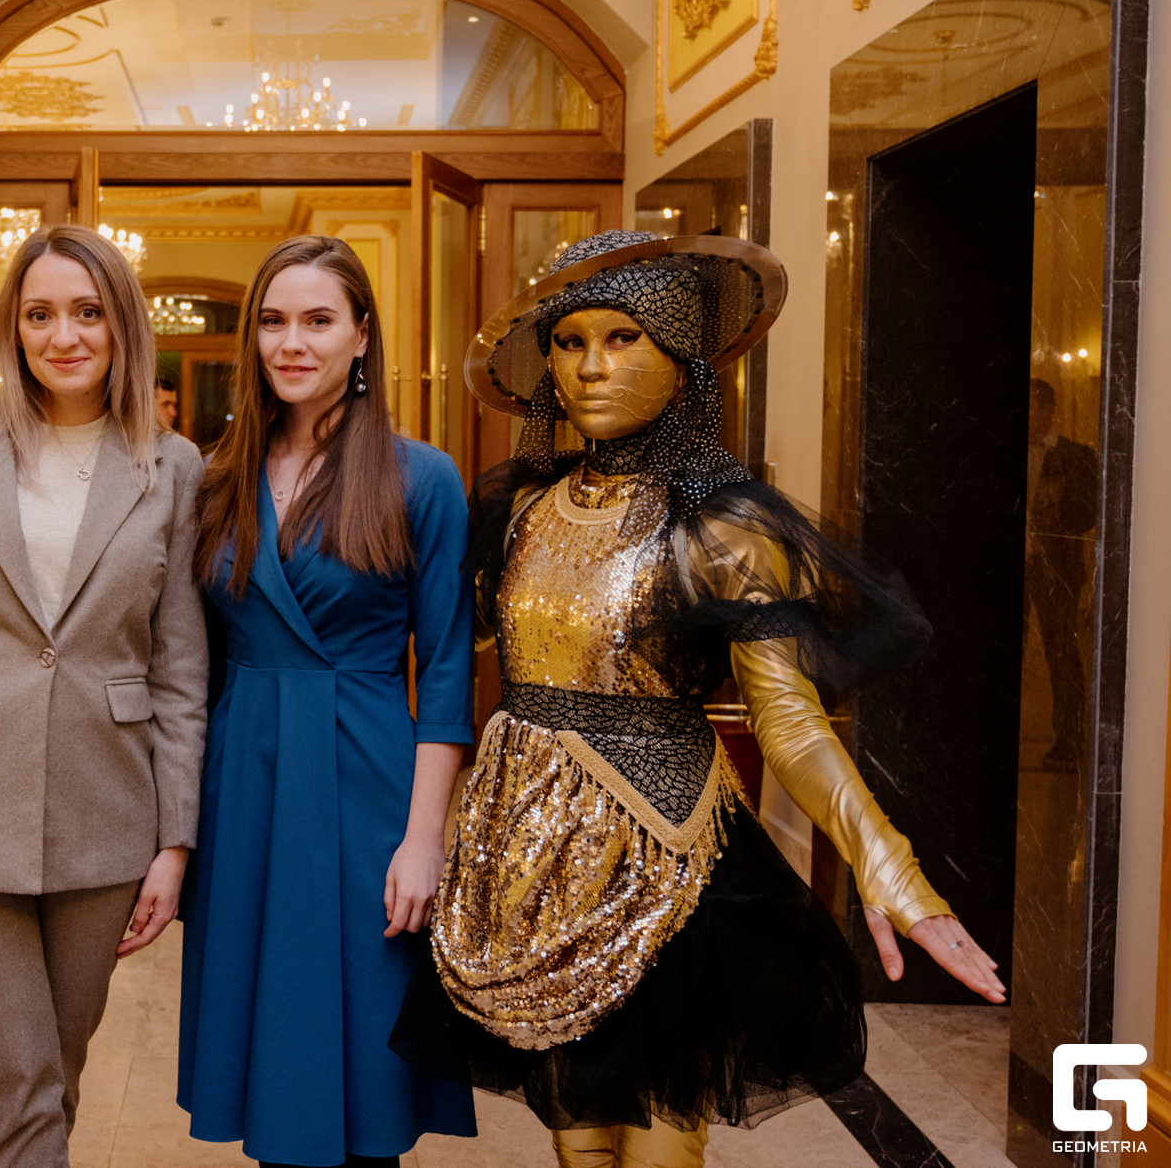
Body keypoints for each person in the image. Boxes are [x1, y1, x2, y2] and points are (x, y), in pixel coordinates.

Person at [393, 230, 1006, 1168]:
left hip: (666, 856)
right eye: (569, 343)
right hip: (526, 854)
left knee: (656, 1141)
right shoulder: (518, 507)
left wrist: (891, 869)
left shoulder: (725, 522)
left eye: (623, 339)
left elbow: (787, 716)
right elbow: (437, 649)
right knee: (577, 1137)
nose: (590, 368)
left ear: (682, 360)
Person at [0, 224, 208, 1168]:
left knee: (54, 1079)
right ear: (13, 329)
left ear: (123, 324)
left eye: (88, 312)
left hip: (107, 816)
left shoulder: (173, 465)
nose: (64, 336)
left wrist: (174, 842)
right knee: (18, 1087)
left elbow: (181, 666)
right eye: (40, 315)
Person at [177, 235, 478, 1167]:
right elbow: (189, 664)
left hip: (367, 785)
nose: (291, 342)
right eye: (273, 321)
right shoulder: (216, 477)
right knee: (272, 1061)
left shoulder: (421, 476)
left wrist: (424, 839)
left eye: (317, 320)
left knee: (365, 1073)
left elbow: (448, 670)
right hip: (247, 788)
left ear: (361, 336)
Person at [1025, 377, 1097, 767]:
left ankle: (1068, 741)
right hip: (1019, 568)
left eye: (1032, 406)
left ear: (1048, 410)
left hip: (1059, 572)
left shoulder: (1075, 457)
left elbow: (1088, 513)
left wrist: (1050, 534)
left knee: (1062, 654)